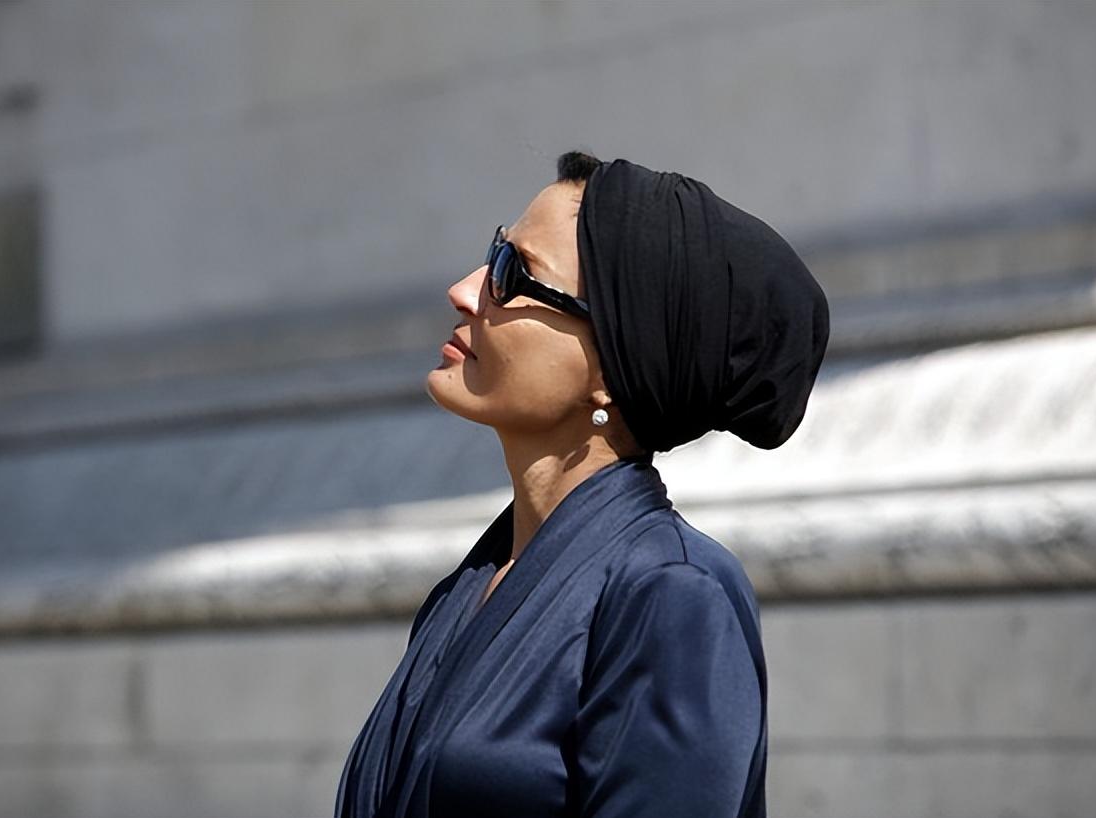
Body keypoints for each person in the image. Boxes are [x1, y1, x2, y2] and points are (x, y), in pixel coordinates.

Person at [335, 151, 830, 818]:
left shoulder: (673, 592)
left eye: (514, 273)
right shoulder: (471, 585)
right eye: (493, 254)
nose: (464, 290)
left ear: (612, 363)